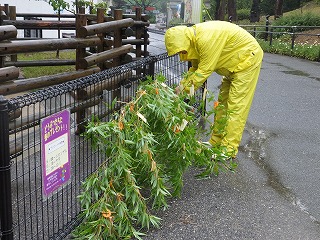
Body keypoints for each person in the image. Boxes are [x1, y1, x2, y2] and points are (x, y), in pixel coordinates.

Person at [165, 20, 263, 157]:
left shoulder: (206, 39)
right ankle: (216, 141)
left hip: (247, 59)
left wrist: (181, 91)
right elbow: (194, 69)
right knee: (222, 104)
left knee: (235, 107)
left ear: (184, 41)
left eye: (181, 49)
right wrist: (181, 86)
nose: (181, 52)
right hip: (232, 65)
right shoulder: (193, 41)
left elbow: (204, 71)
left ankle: (228, 149)